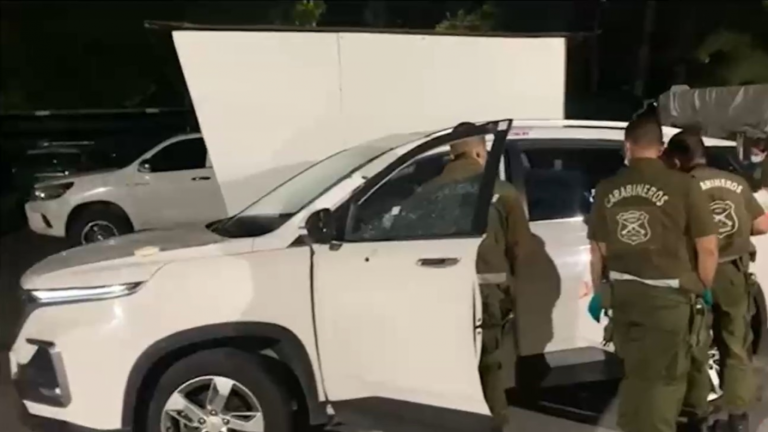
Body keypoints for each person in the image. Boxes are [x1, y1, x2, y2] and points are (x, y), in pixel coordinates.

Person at [587, 115, 719, 432]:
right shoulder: (683, 185)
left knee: (635, 374)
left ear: (627, 146)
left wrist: (601, 292)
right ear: (660, 149)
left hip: (624, 298)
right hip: (668, 300)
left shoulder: (607, 188)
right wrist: (702, 287)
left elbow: (598, 251)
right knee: (664, 381)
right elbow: (708, 248)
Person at [423, 122, 531, 429]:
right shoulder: (502, 192)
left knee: (450, 367)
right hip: (489, 291)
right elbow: (521, 249)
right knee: (490, 367)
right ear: (479, 153)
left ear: (452, 154)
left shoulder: (426, 193)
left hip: (440, 292)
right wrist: (516, 292)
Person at [660, 130, 768, 432]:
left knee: (695, 344)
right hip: (734, 274)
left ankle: (696, 415)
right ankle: (738, 418)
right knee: (735, 344)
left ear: (677, 159)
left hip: (697, 272)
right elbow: (762, 224)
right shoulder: (735, 182)